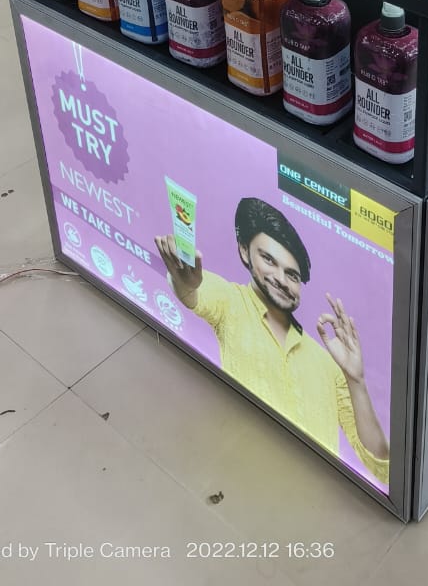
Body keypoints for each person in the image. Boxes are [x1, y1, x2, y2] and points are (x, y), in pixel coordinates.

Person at [155, 196, 389, 485]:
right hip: (242, 471)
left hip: (314, 488)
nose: (281, 279)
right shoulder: (231, 301)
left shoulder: (327, 363)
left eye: (292, 275)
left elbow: (379, 463)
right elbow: (197, 295)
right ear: (244, 252)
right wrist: (184, 283)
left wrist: (356, 380)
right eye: (268, 260)